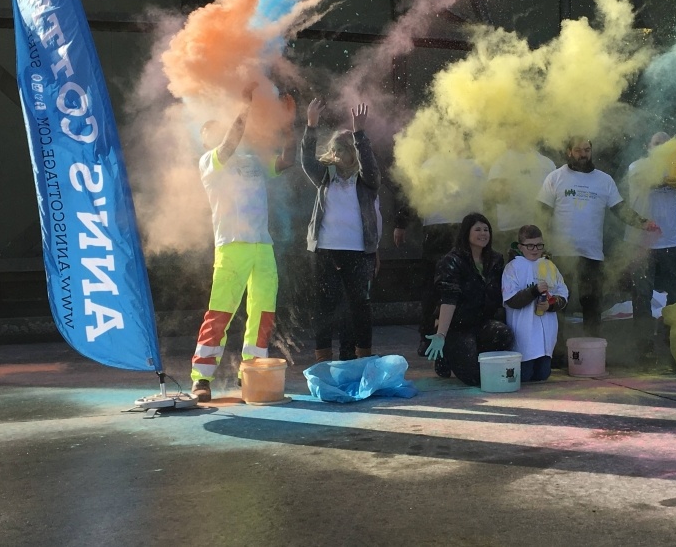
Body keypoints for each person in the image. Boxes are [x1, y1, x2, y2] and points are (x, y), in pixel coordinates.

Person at [191, 83, 296, 403]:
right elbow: (231, 140)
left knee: (263, 313)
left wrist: (290, 127)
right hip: (231, 245)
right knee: (219, 314)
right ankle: (202, 378)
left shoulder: (252, 159)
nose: (218, 133)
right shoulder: (211, 161)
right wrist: (246, 107)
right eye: (210, 131)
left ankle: (251, 372)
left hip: (262, 246)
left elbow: (286, 161)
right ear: (206, 140)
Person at [537, 137, 658, 340]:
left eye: (587, 149)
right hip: (561, 253)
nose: (583, 154)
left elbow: (620, 209)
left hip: (592, 254)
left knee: (592, 303)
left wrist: (643, 222)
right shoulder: (555, 177)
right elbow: (542, 212)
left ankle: (592, 350)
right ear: (569, 152)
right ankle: (555, 352)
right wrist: (543, 246)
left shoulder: (604, 180)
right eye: (578, 150)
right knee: (557, 304)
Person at [301, 99, 380, 363]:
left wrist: (360, 134)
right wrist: (311, 126)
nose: (336, 153)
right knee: (325, 305)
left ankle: (358, 356)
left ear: (353, 152)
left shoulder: (367, 180)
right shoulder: (326, 177)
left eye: (342, 149)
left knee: (358, 306)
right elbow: (306, 161)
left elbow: (369, 167)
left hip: (358, 252)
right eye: (335, 148)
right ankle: (323, 358)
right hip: (325, 250)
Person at [393, 156, 486, 363]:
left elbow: (486, 199)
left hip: (465, 230)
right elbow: (413, 193)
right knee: (432, 286)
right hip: (437, 228)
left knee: (468, 284)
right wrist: (401, 222)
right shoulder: (429, 164)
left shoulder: (476, 166)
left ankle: (468, 334)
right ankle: (427, 336)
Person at [424, 212, 514, 386]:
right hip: (458, 326)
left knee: (503, 334)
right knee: (474, 378)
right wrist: (441, 334)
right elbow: (449, 299)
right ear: (466, 233)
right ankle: (447, 352)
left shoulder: (495, 260)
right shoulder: (451, 261)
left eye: (486, 229)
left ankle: (475, 352)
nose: (483, 233)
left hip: (482, 322)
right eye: (478, 229)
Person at [624, 132, 676, 357]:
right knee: (641, 295)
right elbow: (652, 179)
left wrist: (673, 171)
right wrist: (669, 174)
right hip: (640, 243)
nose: (661, 147)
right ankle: (644, 346)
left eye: (665, 144)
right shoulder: (636, 166)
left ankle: (672, 336)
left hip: (671, 241)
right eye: (656, 144)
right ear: (647, 146)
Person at [502, 225, 569, 382]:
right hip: (524, 333)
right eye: (530, 245)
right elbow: (511, 300)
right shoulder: (513, 268)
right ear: (520, 246)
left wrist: (550, 305)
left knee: (542, 375)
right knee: (524, 376)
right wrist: (534, 291)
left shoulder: (549, 267)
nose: (535, 249)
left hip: (546, 335)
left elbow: (563, 294)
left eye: (539, 245)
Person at [485, 148, 556, 253]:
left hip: (539, 229)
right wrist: (503, 191)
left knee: (537, 267)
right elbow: (493, 197)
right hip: (510, 228)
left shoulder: (547, 163)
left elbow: (555, 196)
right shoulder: (501, 162)